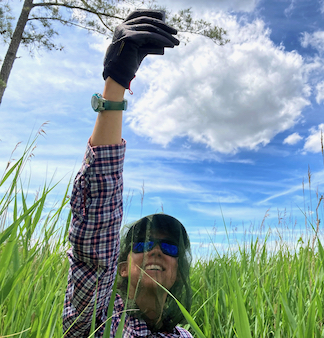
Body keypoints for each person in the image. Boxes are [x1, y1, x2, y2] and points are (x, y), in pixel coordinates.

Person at [62, 10, 193, 337]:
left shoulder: (187, 335)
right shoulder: (97, 321)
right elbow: (97, 234)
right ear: (121, 269)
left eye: (169, 248)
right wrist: (117, 81)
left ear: (176, 273)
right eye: (142, 244)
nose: (156, 250)